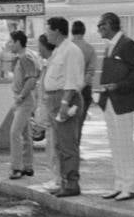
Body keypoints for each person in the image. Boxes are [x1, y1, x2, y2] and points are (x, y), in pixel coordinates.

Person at [96, 12, 134, 201]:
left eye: (100, 25)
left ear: (109, 25)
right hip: (110, 101)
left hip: (122, 101)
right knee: (115, 145)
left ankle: (129, 186)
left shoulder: (127, 44)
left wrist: (119, 85)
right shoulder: (111, 46)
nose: (98, 28)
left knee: (124, 145)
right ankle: (119, 184)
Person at [43, 16, 86, 197]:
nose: (46, 34)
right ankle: (64, 181)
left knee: (68, 144)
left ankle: (72, 183)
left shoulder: (71, 51)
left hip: (65, 99)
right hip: (55, 99)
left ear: (57, 31)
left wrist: (64, 103)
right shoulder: (59, 50)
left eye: (48, 30)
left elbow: (72, 80)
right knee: (59, 144)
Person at [6, 31, 39, 180]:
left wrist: (21, 96)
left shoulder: (25, 57)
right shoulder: (23, 57)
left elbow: (31, 79)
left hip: (24, 101)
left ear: (18, 42)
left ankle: (16, 167)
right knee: (26, 134)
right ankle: (28, 166)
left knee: (14, 133)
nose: (9, 44)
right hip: (23, 99)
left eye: (11, 42)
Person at [36, 34, 60, 190]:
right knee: (51, 146)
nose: (38, 49)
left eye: (39, 46)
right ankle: (54, 177)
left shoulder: (53, 64)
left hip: (53, 110)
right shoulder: (47, 64)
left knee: (55, 146)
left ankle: (57, 178)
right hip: (48, 111)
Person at [71, 20, 97, 143]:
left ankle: (67, 150)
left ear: (72, 31)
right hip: (85, 89)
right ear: (84, 32)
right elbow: (90, 72)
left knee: (68, 122)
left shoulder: (66, 48)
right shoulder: (90, 49)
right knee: (79, 121)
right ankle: (76, 148)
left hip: (68, 88)